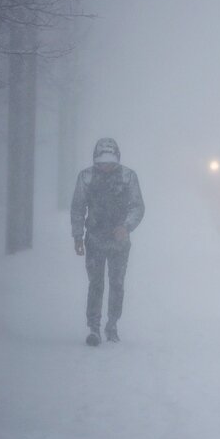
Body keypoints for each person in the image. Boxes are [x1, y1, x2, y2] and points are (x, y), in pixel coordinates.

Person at [71, 138, 145, 346]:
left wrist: (126, 226)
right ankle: (93, 327)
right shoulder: (86, 177)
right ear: (96, 160)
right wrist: (78, 236)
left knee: (117, 284)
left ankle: (112, 325)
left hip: (120, 242)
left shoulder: (128, 177)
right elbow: (77, 207)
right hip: (94, 240)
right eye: (102, 162)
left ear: (117, 159)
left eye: (110, 162)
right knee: (95, 284)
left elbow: (137, 206)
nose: (106, 166)